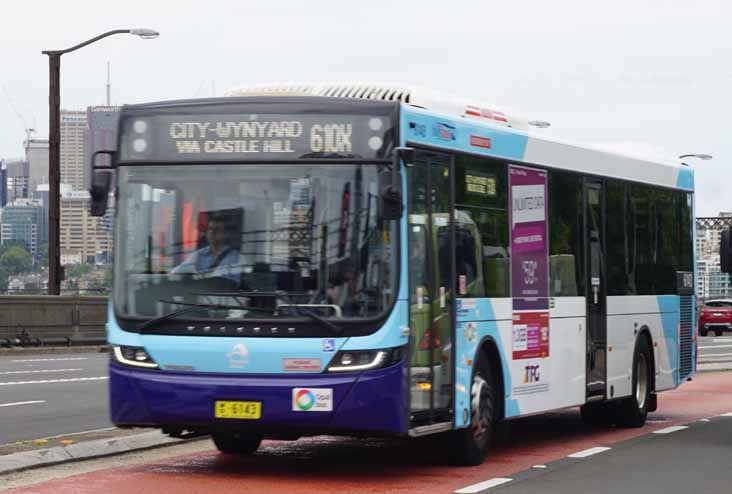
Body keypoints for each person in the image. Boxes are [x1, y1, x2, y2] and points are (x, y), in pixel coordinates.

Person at [172, 215, 241, 281]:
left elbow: (236, 286)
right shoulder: (199, 255)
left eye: (216, 229)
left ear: (226, 234)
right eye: (209, 229)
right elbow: (175, 273)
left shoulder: (236, 258)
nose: (211, 232)